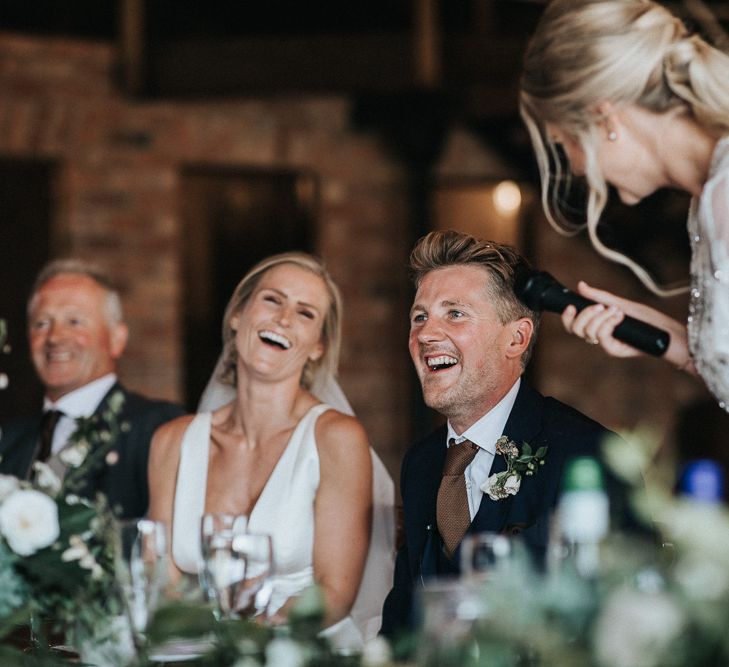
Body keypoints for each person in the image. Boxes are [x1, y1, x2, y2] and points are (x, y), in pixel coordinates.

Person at [380, 230, 624, 638]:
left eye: (454, 313)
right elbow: (403, 623)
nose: (425, 333)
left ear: (516, 338)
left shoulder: (586, 454)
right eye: (419, 316)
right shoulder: (421, 464)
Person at [147, 251, 395, 649]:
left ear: (318, 346)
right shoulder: (171, 442)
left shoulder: (336, 438)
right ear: (237, 316)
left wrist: (251, 645)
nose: (283, 319)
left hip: (302, 650)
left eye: (305, 313)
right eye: (272, 300)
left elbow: (333, 592)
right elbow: (161, 580)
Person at [520, 0, 729, 409]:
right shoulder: (707, 200)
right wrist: (671, 341)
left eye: (565, 146)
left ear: (606, 120)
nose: (578, 170)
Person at [0, 259, 184, 518]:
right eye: (42, 323)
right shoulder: (7, 440)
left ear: (117, 339)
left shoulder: (157, 428)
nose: (54, 337)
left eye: (74, 321)